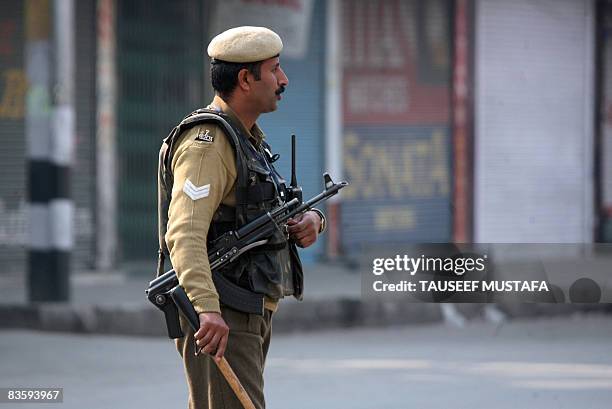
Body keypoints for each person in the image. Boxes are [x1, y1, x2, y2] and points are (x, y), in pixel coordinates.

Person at [157, 26, 326, 409]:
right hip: (221, 313)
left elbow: (265, 212)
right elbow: (184, 233)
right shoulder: (209, 144)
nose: (283, 80)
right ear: (246, 79)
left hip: (246, 310)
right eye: (275, 70)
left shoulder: (248, 139)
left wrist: (314, 219)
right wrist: (207, 308)